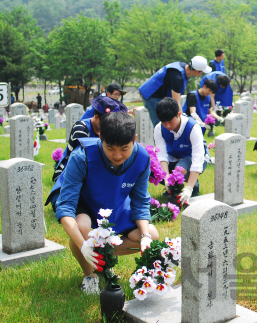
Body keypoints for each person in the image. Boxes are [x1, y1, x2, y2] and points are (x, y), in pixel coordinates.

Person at [50, 112, 158, 295]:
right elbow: (66, 206)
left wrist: (145, 235)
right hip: (84, 205)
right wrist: (83, 245)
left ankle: (102, 256)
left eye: (124, 148)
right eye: (110, 148)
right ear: (100, 137)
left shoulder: (141, 158)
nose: (117, 155)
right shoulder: (82, 156)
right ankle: (89, 274)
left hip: (114, 204)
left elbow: (140, 202)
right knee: (83, 227)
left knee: (152, 235)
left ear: (135, 139)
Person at [50, 96, 127, 183]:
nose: (111, 126)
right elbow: (84, 160)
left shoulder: (107, 131)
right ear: (97, 117)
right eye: (108, 123)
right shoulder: (81, 129)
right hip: (70, 174)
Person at [154, 97, 209, 202]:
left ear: (178, 114)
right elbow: (162, 156)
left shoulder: (193, 127)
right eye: (164, 123)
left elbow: (198, 159)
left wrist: (188, 189)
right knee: (153, 168)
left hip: (192, 158)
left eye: (170, 121)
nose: (167, 126)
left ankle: (193, 186)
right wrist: (166, 179)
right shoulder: (159, 129)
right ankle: (173, 189)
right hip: (174, 157)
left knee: (179, 169)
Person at [139, 56, 212, 127]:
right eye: (202, 72)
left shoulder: (182, 66)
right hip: (152, 96)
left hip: (159, 96)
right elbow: (176, 101)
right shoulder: (177, 77)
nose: (201, 74)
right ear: (196, 71)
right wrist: (183, 118)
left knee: (168, 124)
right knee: (161, 126)